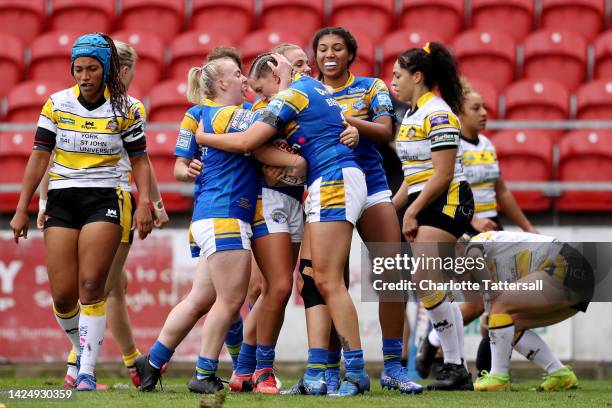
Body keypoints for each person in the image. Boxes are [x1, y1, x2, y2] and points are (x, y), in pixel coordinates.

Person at [196, 55, 371, 397]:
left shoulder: (291, 96)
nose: (260, 96)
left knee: (327, 280)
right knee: (316, 279)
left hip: (332, 179)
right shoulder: (313, 89)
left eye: (261, 88)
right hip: (335, 178)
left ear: (274, 75)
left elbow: (248, 143)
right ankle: (316, 372)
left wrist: (204, 138)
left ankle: (355, 372)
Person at [136, 56, 305, 394]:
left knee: (200, 298)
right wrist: (286, 84)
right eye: (238, 74)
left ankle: (152, 361)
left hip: (209, 215)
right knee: (229, 301)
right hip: (226, 215)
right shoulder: (231, 114)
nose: (245, 78)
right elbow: (269, 123)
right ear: (222, 84)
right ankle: (204, 372)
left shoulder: (208, 114)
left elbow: (188, 161)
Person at [10, 33, 153, 391]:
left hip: (105, 196)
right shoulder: (56, 104)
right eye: (79, 69)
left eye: (92, 69)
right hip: (62, 198)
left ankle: (86, 372)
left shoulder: (130, 108)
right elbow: (40, 156)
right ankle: (82, 349)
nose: (85, 76)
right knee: (62, 295)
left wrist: (147, 202)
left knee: (93, 285)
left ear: (106, 71)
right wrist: (23, 207)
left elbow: (140, 160)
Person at [287, 27, 421, 395]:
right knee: (328, 280)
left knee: (392, 276)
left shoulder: (370, 86)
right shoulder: (306, 91)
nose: (330, 54)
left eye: (338, 48)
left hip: (372, 185)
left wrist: (354, 127)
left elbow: (385, 130)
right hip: (328, 186)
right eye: (323, 49)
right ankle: (331, 371)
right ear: (315, 57)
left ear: (350, 54)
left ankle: (393, 368)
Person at [416, 78, 539, 379]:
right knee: (476, 305)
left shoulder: (487, 145)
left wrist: (526, 227)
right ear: (459, 113)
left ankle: (484, 369)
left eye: (485, 106)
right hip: (465, 230)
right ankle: (433, 347)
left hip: (494, 231)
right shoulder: (449, 146)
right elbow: (447, 185)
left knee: (499, 304)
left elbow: (502, 191)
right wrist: (469, 224)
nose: (484, 112)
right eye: (476, 107)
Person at [229, 44, 317, 394]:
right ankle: (262, 369)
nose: (305, 70)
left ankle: (245, 371)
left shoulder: (309, 103)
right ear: (276, 72)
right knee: (276, 286)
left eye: (306, 65)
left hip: (298, 202)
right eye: (296, 65)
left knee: (274, 290)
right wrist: (292, 164)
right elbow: (251, 147)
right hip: (270, 200)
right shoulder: (266, 107)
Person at [391, 42, 474, 391]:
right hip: (428, 201)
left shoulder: (437, 113)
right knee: (432, 284)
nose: (392, 81)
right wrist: (387, 207)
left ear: (418, 76)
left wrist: (411, 210)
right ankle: (456, 366)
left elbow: (442, 174)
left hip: (449, 200)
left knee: (424, 278)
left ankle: (452, 362)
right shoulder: (410, 114)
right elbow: (415, 172)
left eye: (398, 75)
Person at [461, 231, 591, 391]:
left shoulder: (473, 244)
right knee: (511, 323)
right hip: (580, 281)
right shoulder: (480, 271)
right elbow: (496, 321)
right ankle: (560, 374)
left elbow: (474, 257)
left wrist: (491, 295)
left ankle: (498, 378)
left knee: (500, 307)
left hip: (567, 265)